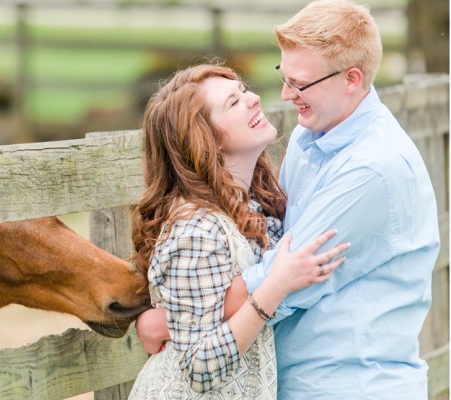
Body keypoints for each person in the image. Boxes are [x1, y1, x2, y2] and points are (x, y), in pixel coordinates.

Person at [137, 1, 441, 399]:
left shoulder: (372, 169)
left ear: (351, 79)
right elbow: (271, 255)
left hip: (348, 384)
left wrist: (170, 320)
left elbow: (289, 276)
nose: (283, 94)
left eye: (300, 83)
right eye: (284, 76)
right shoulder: (308, 137)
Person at [128, 63, 350, 399]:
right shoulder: (195, 228)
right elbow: (200, 368)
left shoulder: (253, 206)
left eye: (243, 90)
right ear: (207, 140)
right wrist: (275, 286)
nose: (254, 99)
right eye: (233, 102)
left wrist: (163, 320)